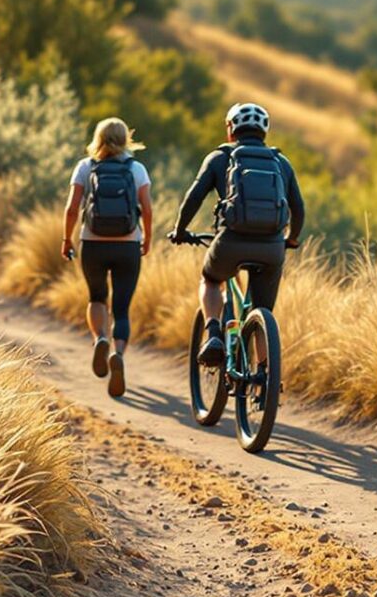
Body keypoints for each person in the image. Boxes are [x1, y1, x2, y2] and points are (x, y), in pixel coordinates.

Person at [174, 102, 306, 367]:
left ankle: (212, 333)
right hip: (271, 248)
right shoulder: (281, 162)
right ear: (264, 131)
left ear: (231, 129)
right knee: (263, 312)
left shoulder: (219, 157)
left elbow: (194, 197)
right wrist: (291, 238)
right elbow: (298, 208)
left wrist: (180, 230)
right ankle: (265, 380)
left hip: (230, 242)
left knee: (211, 279)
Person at [62, 116, 155, 399]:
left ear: (98, 138)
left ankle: (99, 338)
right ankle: (118, 354)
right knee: (122, 307)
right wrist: (147, 238)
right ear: (126, 139)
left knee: (97, 297)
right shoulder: (136, 168)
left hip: (93, 244)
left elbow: (71, 209)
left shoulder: (85, 167)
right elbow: (147, 209)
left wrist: (66, 239)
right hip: (128, 244)